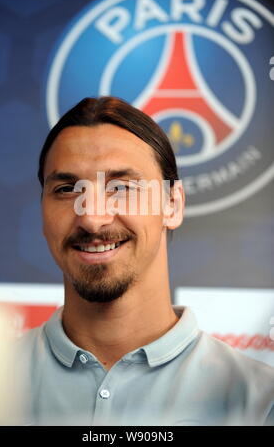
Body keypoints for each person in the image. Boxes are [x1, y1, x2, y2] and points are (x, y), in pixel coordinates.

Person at [16, 96, 274, 426]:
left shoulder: (259, 402)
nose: (92, 219)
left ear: (173, 204)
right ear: (41, 209)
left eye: (122, 187)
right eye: (67, 189)